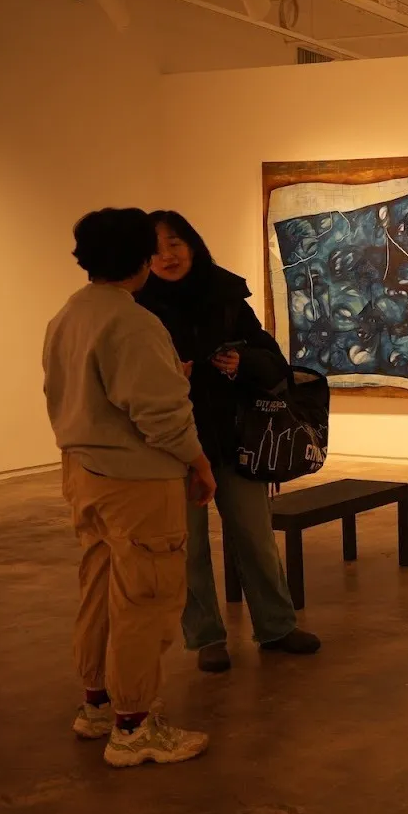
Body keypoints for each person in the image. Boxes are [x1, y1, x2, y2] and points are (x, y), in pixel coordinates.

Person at [43, 208, 216, 767]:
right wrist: (198, 461)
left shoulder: (70, 314)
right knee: (147, 597)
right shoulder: (132, 322)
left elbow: (81, 390)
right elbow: (160, 416)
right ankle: (134, 726)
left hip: (84, 472)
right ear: (141, 260)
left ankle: (97, 704)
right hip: (137, 481)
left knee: (99, 586)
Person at [136, 211, 320, 672]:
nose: (167, 256)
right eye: (155, 249)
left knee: (256, 537)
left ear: (193, 245)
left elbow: (273, 360)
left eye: (175, 243)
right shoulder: (136, 307)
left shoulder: (225, 294)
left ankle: (277, 626)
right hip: (173, 445)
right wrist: (168, 376)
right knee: (188, 548)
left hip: (235, 439)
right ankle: (206, 638)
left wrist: (242, 362)